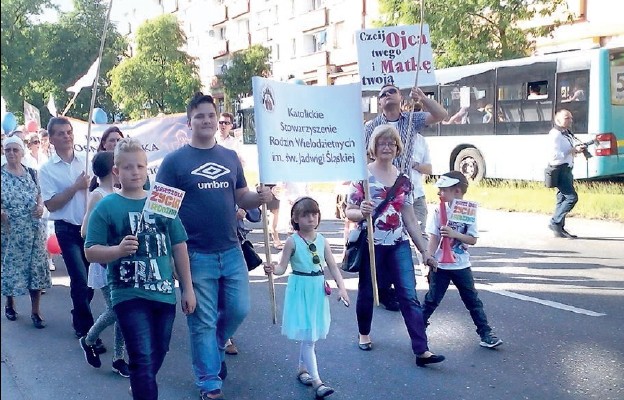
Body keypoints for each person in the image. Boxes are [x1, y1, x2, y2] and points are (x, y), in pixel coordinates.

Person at [155, 92, 272, 400]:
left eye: (211, 115)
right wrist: (169, 257)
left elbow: (241, 196)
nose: (206, 121)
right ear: (190, 121)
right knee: (202, 321)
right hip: (194, 254)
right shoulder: (174, 162)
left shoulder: (230, 157)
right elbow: (160, 213)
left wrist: (259, 197)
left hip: (232, 249)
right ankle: (209, 382)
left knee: (239, 308)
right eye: (200, 116)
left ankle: (216, 346)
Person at [84, 137, 196, 399]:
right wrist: (117, 251)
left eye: (140, 167)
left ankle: (140, 380)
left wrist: (188, 289)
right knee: (142, 357)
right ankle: (142, 384)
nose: (134, 172)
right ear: (116, 172)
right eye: (127, 167)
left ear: (147, 169)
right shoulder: (107, 206)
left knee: (158, 351)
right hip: (127, 293)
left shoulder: (162, 202)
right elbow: (90, 250)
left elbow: (179, 245)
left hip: (163, 291)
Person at [346, 124, 445, 367]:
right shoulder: (363, 176)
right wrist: (361, 211)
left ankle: (422, 350)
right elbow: (349, 211)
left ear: (398, 147)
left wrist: (425, 251)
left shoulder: (403, 178)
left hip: (398, 244)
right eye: (382, 143)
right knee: (368, 293)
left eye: (391, 143)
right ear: (374, 147)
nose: (387, 147)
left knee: (409, 295)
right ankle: (364, 333)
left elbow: (409, 217)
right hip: (372, 244)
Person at [364, 84, 447, 311]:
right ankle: (388, 289)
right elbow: (362, 159)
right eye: (382, 94)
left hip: (409, 193)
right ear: (379, 103)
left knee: (413, 233)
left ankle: (412, 284)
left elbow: (441, 115)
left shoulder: (412, 120)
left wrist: (423, 98)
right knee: (386, 242)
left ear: (401, 97)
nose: (387, 95)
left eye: (392, 91)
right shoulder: (371, 127)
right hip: (382, 196)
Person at [263, 197, 349, 399]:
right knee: (309, 337)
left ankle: (302, 369)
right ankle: (318, 382)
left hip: (317, 289)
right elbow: (282, 267)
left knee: (311, 334)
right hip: (300, 288)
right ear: (295, 218)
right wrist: (272, 269)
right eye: (305, 215)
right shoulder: (292, 241)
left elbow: (333, 266)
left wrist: (342, 288)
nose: (311, 218)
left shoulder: (322, 240)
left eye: (314, 214)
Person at [423, 171, 503, 348]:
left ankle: (485, 333)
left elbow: (472, 239)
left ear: (457, 191)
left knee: (472, 300)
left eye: (443, 190)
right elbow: (434, 237)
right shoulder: (437, 210)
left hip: (461, 264)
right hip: (441, 264)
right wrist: (429, 257)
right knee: (432, 299)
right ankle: (417, 328)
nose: (439, 193)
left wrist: (455, 234)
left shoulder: (467, 211)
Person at [39, 117, 96, 340]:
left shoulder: (86, 161)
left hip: (89, 227)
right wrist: (76, 187)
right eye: (61, 133)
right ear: (51, 139)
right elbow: (51, 204)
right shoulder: (47, 170)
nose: (66, 136)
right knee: (80, 279)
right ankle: (87, 329)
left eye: (69, 132)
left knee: (90, 281)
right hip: (67, 229)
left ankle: (79, 312)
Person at [79, 151, 129, 377]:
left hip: (120, 260)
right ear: (113, 168)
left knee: (122, 310)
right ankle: (88, 339)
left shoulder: (119, 193)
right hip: (104, 262)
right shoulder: (99, 195)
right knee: (117, 309)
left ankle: (119, 358)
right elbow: (85, 230)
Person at [1, 136, 52, 328]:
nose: (12, 153)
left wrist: (40, 206)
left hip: (34, 230)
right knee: (11, 269)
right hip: (10, 232)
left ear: (22, 152)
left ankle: (35, 311)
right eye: (8, 150)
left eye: (15, 150)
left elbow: (40, 194)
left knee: (36, 270)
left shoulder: (31, 173)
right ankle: (10, 302)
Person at [547, 109, 586, 239]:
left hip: (567, 168)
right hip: (559, 169)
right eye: (566, 118)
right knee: (571, 197)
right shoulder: (555, 134)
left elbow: (566, 150)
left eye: (570, 118)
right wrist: (572, 150)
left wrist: (575, 151)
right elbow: (554, 155)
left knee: (562, 198)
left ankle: (559, 228)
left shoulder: (565, 133)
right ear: (557, 120)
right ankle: (555, 222)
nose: (570, 120)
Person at [89, 126, 124, 192]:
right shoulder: (97, 165)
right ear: (104, 144)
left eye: (119, 140)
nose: (116, 144)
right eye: (112, 140)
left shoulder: (131, 166)